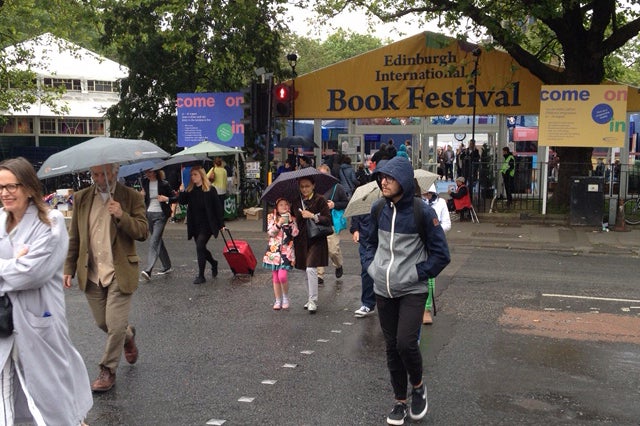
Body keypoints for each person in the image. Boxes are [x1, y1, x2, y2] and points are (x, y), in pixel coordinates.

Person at [0, 157, 93, 425]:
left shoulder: (50, 223)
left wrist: (17, 267)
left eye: (12, 186)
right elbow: (19, 271)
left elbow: (31, 273)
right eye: (1, 187)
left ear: (29, 187)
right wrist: (14, 263)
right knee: (9, 398)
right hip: (5, 324)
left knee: (52, 398)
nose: (5, 193)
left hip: (39, 320)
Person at [364, 156, 450, 425]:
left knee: (405, 342)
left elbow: (441, 255)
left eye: (388, 177)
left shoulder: (422, 212)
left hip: (412, 289)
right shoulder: (378, 209)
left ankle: (419, 386)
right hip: (383, 289)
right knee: (392, 347)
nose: (383, 181)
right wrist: (372, 269)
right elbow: (367, 244)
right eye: (381, 177)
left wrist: (416, 273)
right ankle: (399, 401)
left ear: (402, 180)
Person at [64, 162, 148, 393]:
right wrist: (68, 267)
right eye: (95, 174)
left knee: (114, 324)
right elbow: (75, 237)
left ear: (115, 173)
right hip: (91, 272)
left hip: (119, 272)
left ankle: (107, 370)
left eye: (104, 174)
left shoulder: (130, 197)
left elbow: (142, 231)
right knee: (105, 323)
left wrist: (122, 215)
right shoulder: (81, 198)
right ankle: (128, 335)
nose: (99, 179)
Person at [178, 165, 225, 284]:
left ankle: (201, 275)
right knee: (201, 248)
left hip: (207, 224)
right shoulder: (190, 190)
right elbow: (182, 202)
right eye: (192, 175)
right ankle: (213, 262)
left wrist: (221, 224)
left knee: (199, 245)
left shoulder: (210, 190)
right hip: (194, 223)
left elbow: (217, 208)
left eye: (195, 175)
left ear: (201, 175)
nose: (193, 177)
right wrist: (181, 190)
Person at [292, 176, 330, 314]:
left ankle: (313, 300)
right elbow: (293, 218)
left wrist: (313, 216)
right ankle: (309, 298)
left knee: (310, 268)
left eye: (307, 186)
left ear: (313, 185)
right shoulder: (296, 201)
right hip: (300, 239)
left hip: (316, 239)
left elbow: (327, 219)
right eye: (301, 186)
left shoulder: (320, 199)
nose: (304, 189)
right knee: (304, 270)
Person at [421, 183, 452, 325]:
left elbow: (447, 224)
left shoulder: (440, 204)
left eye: (429, 194)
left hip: (432, 244)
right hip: (417, 243)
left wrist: (434, 230)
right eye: (424, 194)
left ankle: (426, 310)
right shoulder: (415, 204)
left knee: (429, 277)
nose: (426, 196)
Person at [140, 167, 177, 281]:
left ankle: (148, 270)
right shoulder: (144, 183)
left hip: (161, 215)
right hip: (149, 214)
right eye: (147, 172)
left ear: (156, 172)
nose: (148, 174)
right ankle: (167, 266)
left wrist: (166, 199)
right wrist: (141, 195)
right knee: (158, 240)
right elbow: (144, 198)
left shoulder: (164, 184)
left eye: (150, 171)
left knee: (154, 240)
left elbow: (174, 198)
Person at [262, 198, 299, 310]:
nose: (284, 207)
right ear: (277, 208)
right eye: (281, 205)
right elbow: (270, 232)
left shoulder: (292, 218)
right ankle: (278, 300)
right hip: (273, 251)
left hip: (286, 251)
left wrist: (291, 222)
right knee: (275, 276)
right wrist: (279, 223)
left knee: (282, 276)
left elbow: (295, 233)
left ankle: (285, 297)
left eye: (286, 204)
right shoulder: (271, 217)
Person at [317, 164, 348, 284]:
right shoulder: (314, 188)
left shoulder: (337, 187)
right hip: (318, 222)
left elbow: (345, 202)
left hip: (332, 223)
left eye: (325, 175)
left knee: (333, 249)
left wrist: (334, 204)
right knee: (319, 249)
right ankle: (319, 275)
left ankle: (338, 264)